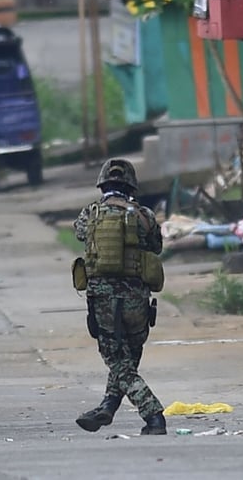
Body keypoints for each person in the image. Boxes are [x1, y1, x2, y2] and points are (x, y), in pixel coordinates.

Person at [73, 158, 166, 435]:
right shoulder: (143, 215)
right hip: (136, 298)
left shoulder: (90, 213)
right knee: (128, 357)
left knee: (117, 359)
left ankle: (153, 415)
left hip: (102, 299)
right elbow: (157, 246)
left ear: (103, 184)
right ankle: (107, 407)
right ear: (131, 186)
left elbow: (79, 234)